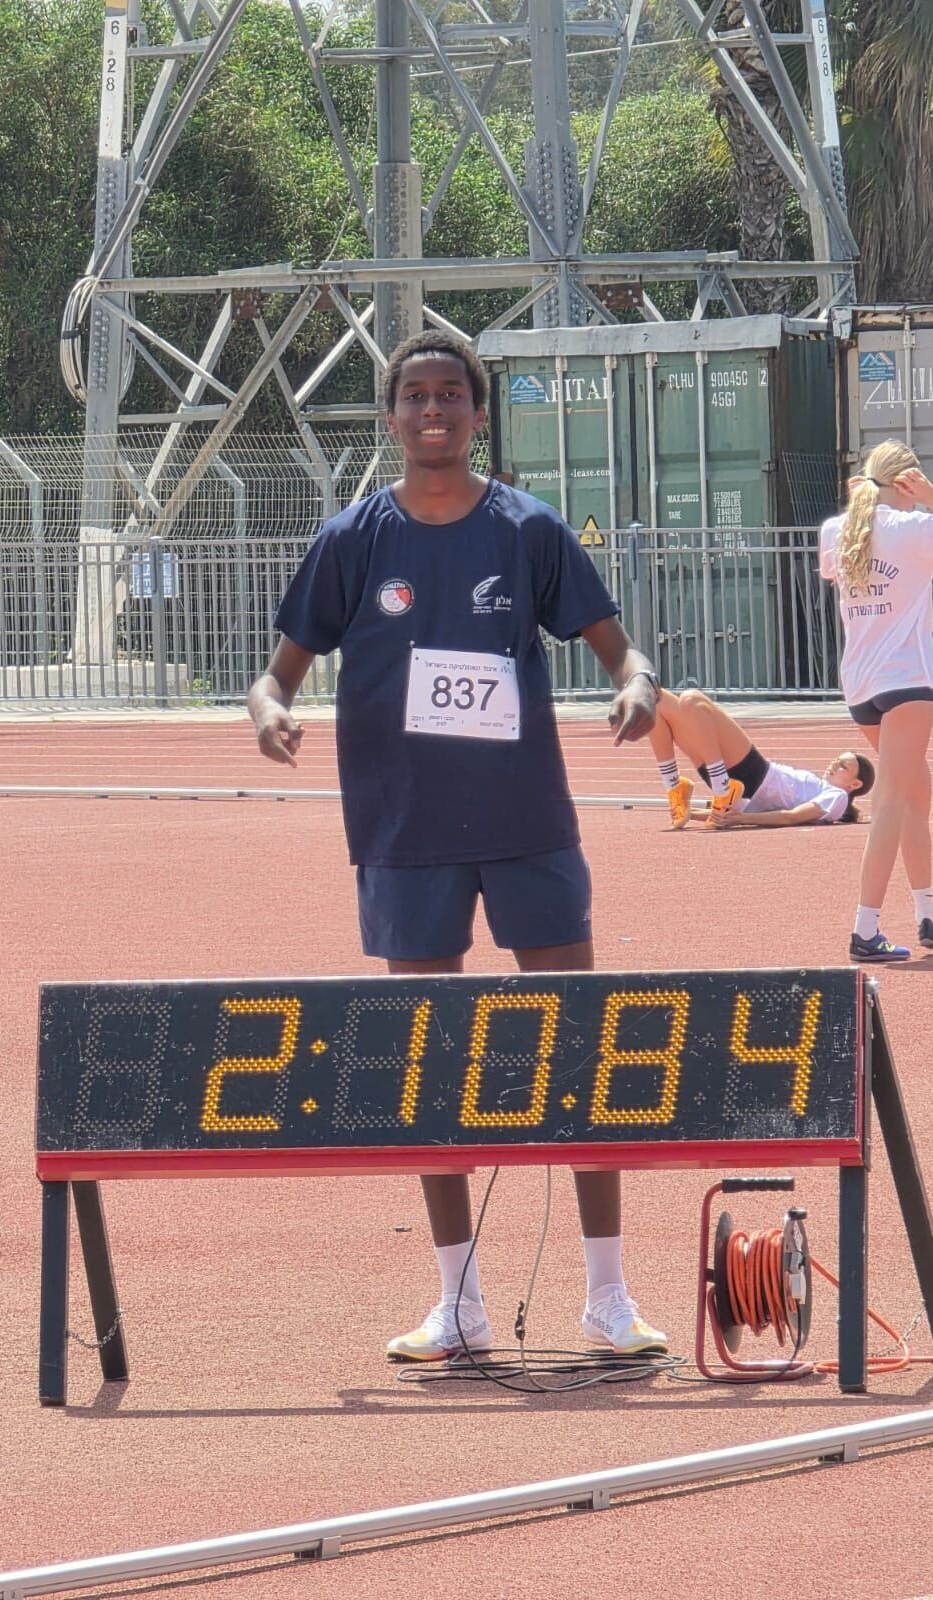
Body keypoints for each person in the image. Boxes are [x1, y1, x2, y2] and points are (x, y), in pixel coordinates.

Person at [248, 330, 668, 1362]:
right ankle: (459, 1304)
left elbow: (623, 652)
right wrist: (269, 711)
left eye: (451, 395)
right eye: (415, 396)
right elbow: (277, 674)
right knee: (427, 1061)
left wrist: (636, 688)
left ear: (479, 415)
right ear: (391, 416)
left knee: (580, 1045)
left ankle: (609, 1298)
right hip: (404, 830)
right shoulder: (352, 540)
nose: (433, 410)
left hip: (526, 823)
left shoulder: (529, 530)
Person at [819, 440, 933, 962]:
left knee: (916, 790)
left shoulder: (836, 529)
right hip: (905, 680)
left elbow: (837, 570)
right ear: (907, 483)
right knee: (893, 801)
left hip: (861, 685)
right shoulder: (916, 526)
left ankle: (928, 915)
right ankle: (865, 929)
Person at [650, 686, 875, 829]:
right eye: (837, 759)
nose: (834, 764)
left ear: (855, 784)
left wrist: (741, 819)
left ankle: (720, 790)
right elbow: (731, 813)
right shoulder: (820, 787)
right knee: (653, 697)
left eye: (843, 766)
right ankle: (675, 789)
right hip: (736, 787)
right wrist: (691, 813)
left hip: (755, 776)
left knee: (692, 699)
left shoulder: (837, 796)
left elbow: (791, 817)